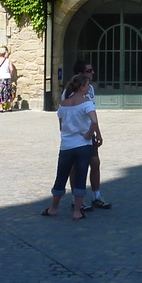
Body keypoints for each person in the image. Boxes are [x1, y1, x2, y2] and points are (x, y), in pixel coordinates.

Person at [42, 74, 98, 221]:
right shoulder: (87, 103)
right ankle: (77, 211)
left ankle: (53, 208)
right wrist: (88, 134)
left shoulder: (63, 104)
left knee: (61, 176)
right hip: (83, 144)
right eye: (87, 85)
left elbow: (61, 126)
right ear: (81, 87)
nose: (89, 87)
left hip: (66, 145)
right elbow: (94, 121)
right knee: (80, 176)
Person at [63, 60, 111, 209]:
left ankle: (96, 196)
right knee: (76, 167)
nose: (92, 73)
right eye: (89, 71)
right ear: (80, 74)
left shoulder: (90, 89)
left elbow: (92, 112)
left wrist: (97, 132)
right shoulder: (68, 92)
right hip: (77, 135)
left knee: (95, 163)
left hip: (89, 133)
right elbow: (65, 113)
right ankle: (75, 199)